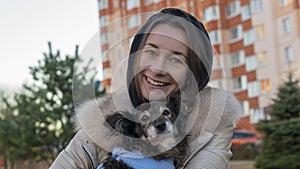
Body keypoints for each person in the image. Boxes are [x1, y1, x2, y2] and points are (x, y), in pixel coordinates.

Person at [50, 8, 242, 169]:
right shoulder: (102, 118)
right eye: (150, 51)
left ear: (194, 73)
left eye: (176, 59)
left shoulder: (212, 122)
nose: (158, 69)